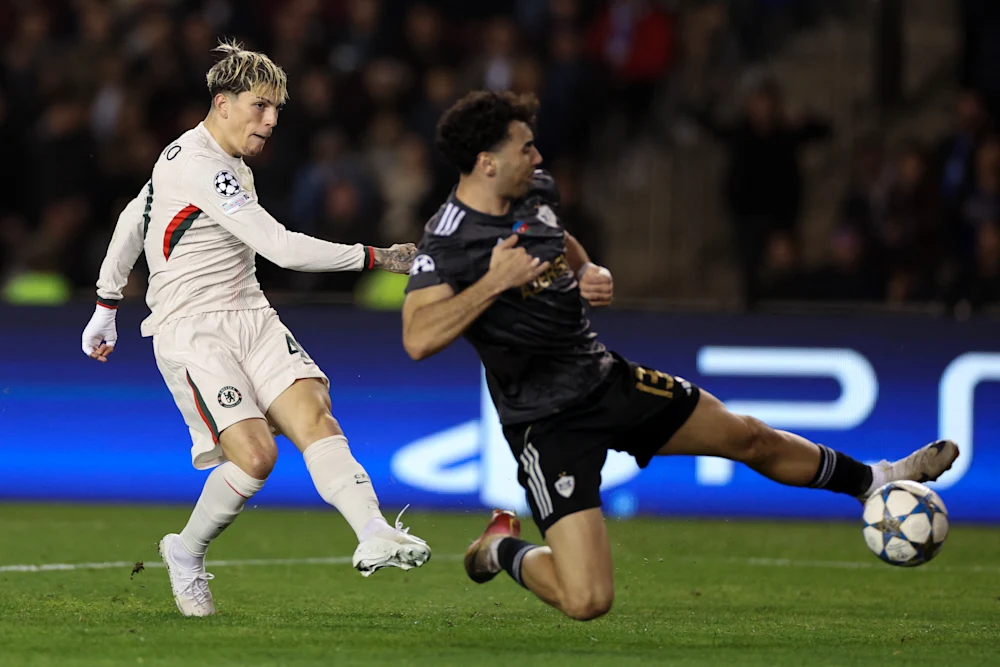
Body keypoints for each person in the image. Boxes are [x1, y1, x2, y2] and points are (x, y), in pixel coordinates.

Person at [400, 90, 959, 622]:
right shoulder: (448, 243)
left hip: (607, 380)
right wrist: (492, 283)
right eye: (524, 146)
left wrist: (588, 269)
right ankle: (502, 551)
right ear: (486, 162)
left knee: (749, 437)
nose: (538, 155)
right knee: (588, 599)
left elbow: (559, 239)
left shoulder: (538, 189)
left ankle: (876, 480)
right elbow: (418, 339)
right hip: (547, 423)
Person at [80, 41, 430, 618]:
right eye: (259, 106)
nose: (269, 121)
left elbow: (131, 218)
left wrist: (106, 303)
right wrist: (379, 257)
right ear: (222, 103)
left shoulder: (202, 160)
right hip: (192, 329)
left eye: (276, 111)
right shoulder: (199, 165)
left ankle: (373, 531)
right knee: (257, 456)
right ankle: (185, 553)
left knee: (314, 412)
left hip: (253, 315)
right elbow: (280, 248)